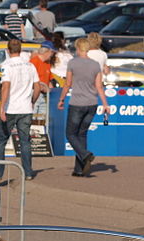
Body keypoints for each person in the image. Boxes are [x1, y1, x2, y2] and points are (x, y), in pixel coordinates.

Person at [57, 37, 109, 177]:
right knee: (82, 134)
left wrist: (61, 99)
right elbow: (99, 86)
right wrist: (105, 104)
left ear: (78, 49)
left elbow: (67, 83)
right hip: (92, 103)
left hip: (77, 103)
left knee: (70, 134)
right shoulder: (95, 65)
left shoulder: (73, 63)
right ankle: (79, 169)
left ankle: (85, 155)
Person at [0, 38, 39, 183]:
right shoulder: (30, 65)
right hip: (25, 108)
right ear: (21, 50)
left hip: (11, 108)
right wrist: (32, 101)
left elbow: (6, 87)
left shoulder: (6, 65)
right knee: (25, 141)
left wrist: (2, 107)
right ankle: (28, 172)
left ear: (7, 50)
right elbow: (37, 87)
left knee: (1, 141)